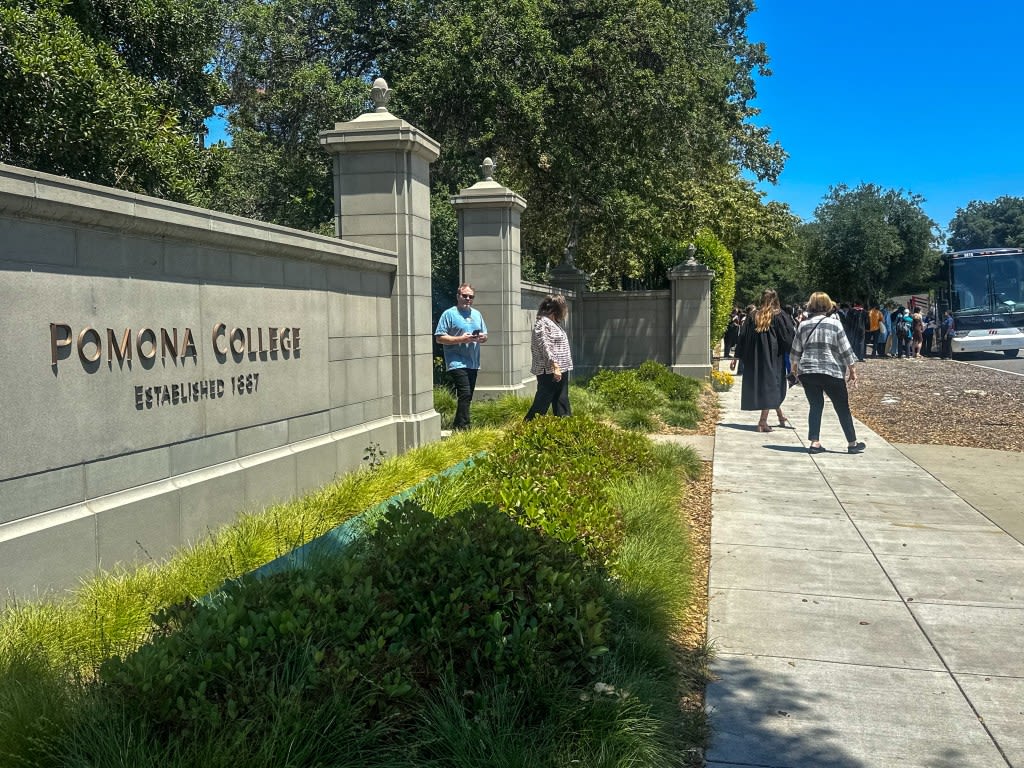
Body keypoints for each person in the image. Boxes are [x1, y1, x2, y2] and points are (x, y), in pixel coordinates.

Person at [790, 291, 865, 454]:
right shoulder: (835, 324)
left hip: (808, 371)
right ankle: (852, 443)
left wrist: (794, 370)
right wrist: (852, 370)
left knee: (815, 405)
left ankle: (814, 442)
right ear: (828, 305)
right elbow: (845, 349)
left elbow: (795, 351)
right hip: (831, 370)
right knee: (842, 407)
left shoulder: (803, 325)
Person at [728, 288, 795, 432]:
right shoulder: (780, 316)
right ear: (776, 299)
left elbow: (743, 337)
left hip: (755, 357)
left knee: (768, 386)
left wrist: (737, 356)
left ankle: (780, 416)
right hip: (773, 357)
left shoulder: (752, 315)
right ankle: (762, 422)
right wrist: (793, 354)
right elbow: (787, 338)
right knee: (773, 386)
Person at [434, 283, 488, 430]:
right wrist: (461, 339)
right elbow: (439, 337)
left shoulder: (477, 314)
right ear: (458, 296)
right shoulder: (449, 314)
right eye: (465, 296)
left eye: (471, 297)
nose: (468, 299)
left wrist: (481, 338)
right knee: (464, 393)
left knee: (468, 395)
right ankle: (464, 427)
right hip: (456, 361)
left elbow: (485, 336)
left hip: (473, 361)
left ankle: (458, 425)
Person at [525, 294, 574, 420]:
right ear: (557, 309)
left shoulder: (552, 323)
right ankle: (525, 428)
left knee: (561, 400)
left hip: (561, 369)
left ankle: (565, 426)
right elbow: (545, 346)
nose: (565, 312)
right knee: (542, 403)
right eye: (564, 308)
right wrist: (555, 366)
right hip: (550, 371)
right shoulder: (543, 323)